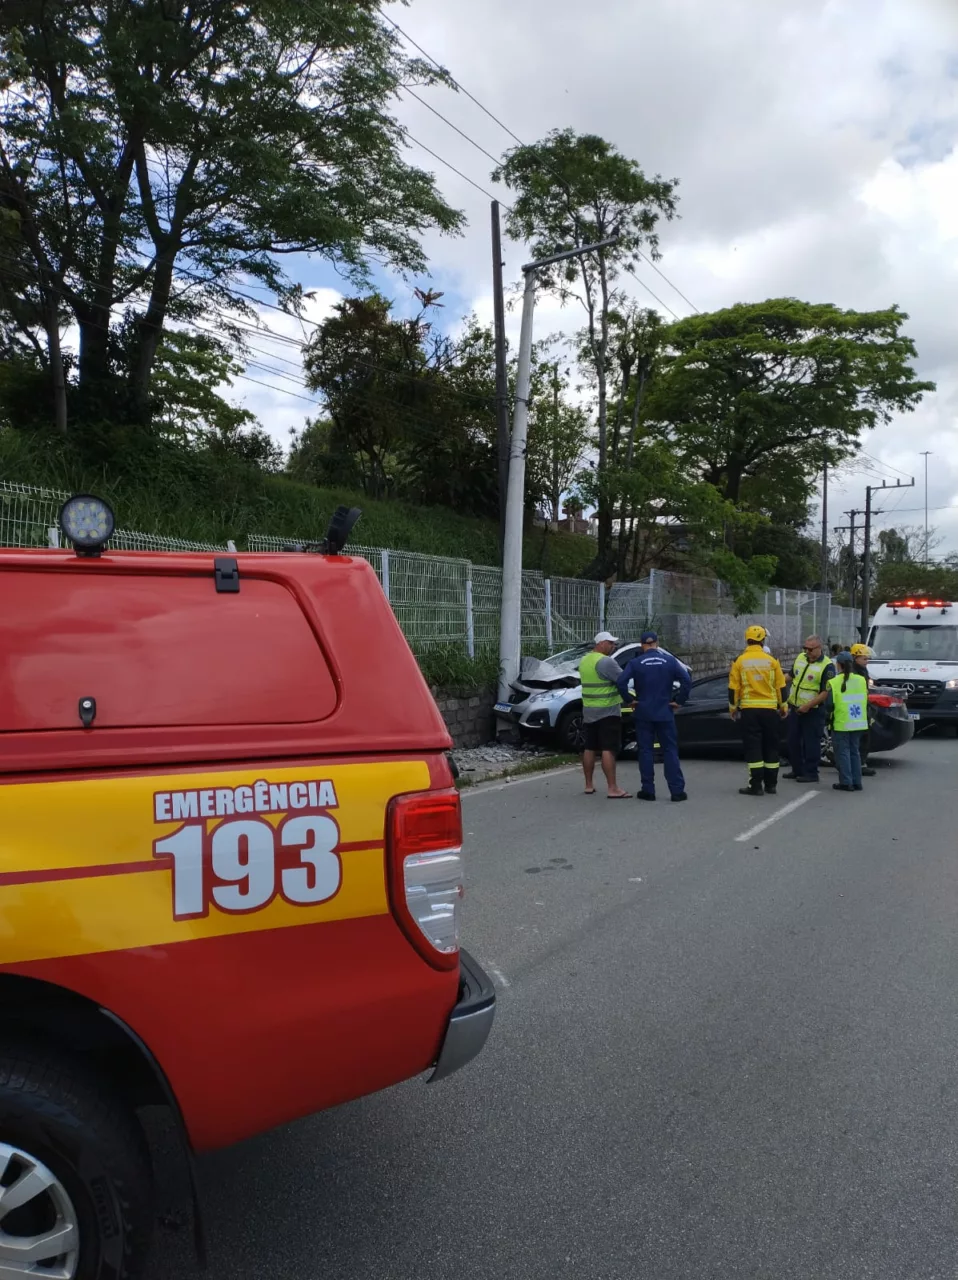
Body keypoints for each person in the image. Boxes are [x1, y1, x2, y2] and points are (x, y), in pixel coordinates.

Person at [616, 632, 692, 801]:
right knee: (670, 750)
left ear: (642, 645)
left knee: (645, 751)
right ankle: (677, 791)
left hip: (643, 712)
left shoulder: (636, 663)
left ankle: (648, 790)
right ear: (657, 643)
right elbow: (686, 680)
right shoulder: (670, 661)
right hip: (665, 712)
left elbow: (621, 683)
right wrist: (679, 700)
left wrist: (630, 700)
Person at [728, 625, 788, 797]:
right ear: (763, 640)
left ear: (747, 640)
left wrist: (733, 708)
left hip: (749, 710)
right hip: (770, 710)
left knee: (753, 747)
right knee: (771, 746)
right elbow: (781, 687)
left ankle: (756, 786)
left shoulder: (739, 661)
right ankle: (771, 785)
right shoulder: (772, 661)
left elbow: (734, 688)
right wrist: (783, 707)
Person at [579, 631, 630, 799]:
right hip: (607, 711)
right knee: (608, 748)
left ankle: (588, 785)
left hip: (589, 710)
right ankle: (612, 788)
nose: (613, 646)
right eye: (610, 643)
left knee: (590, 747)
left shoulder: (585, 660)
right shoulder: (606, 662)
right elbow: (622, 680)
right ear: (600, 643)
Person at [784, 635, 835, 783]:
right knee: (793, 740)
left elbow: (825, 693)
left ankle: (811, 773)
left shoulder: (827, 666)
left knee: (811, 742)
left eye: (810, 649)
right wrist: (776, 681)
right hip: (795, 708)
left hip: (813, 711)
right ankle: (797, 769)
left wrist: (808, 706)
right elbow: (791, 676)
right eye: (805, 648)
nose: (807, 652)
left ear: (819, 648)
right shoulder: (801, 658)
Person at [826, 652, 869, 791]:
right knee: (854, 752)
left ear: (838, 665)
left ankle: (846, 782)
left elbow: (829, 705)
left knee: (842, 752)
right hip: (858, 722)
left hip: (842, 722)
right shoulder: (861, 680)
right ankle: (857, 782)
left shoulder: (834, 682)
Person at [850, 642, 877, 777]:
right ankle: (859, 764)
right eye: (864, 658)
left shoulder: (862, 670)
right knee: (861, 738)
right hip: (856, 709)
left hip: (861, 708)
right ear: (856, 658)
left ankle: (861, 763)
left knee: (865, 737)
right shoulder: (855, 672)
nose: (867, 661)